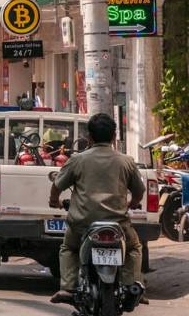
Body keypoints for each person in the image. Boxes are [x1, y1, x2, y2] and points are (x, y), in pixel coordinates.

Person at [49, 113, 145, 305]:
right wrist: (132, 203)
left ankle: (68, 288)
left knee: (68, 248)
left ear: (89, 138)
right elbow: (139, 191)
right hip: (118, 224)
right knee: (134, 248)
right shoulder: (126, 161)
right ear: (113, 137)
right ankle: (131, 285)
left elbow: (57, 186)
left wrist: (54, 201)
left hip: (83, 224)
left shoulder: (78, 160)